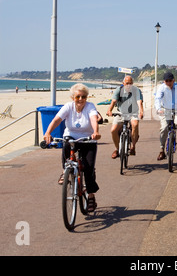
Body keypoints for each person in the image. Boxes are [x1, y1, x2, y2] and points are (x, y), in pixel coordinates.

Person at [43, 83, 101, 212]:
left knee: (88, 168)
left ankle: (91, 196)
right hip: (71, 136)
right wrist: (48, 133)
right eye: (78, 96)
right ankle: (66, 170)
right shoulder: (68, 107)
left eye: (84, 96)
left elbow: (93, 119)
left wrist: (95, 132)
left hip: (88, 139)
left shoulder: (90, 106)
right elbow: (57, 120)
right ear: (72, 97)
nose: (81, 99)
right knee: (67, 143)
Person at [107, 75, 144, 158]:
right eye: (127, 83)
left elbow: (139, 102)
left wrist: (141, 112)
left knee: (135, 124)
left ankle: (133, 147)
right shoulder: (118, 90)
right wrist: (109, 110)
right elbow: (113, 101)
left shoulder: (136, 90)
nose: (128, 85)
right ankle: (117, 149)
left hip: (133, 112)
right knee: (113, 130)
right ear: (123, 83)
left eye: (130, 83)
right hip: (121, 113)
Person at [155, 72, 177, 161]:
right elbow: (157, 98)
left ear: (173, 80)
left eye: (170, 81)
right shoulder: (162, 88)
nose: (168, 83)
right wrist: (158, 109)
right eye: (166, 81)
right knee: (164, 128)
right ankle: (162, 150)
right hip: (166, 109)